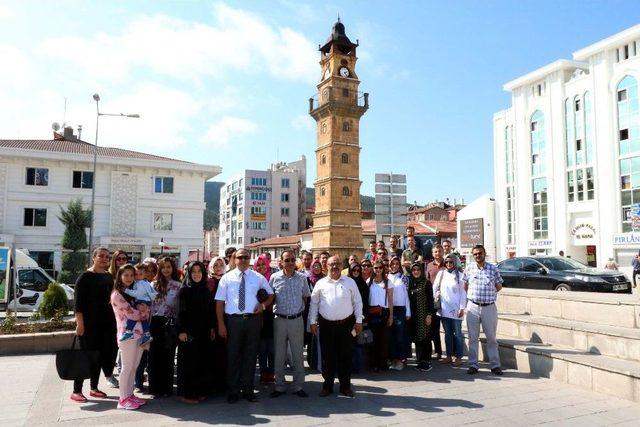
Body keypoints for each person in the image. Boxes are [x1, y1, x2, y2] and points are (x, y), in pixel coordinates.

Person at [216, 248, 274, 403]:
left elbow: (271, 295)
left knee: (250, 356)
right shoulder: (227, 278)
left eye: (246, 257)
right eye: (240, 257)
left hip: (252, 321)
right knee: (233, 355)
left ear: (250, 259)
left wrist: (262, 306)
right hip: (233, 321)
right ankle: (233, 391)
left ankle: (248, 390)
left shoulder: (258, 277)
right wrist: (221, 324)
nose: (243, 260)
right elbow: (220, 303)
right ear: (235, 259)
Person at [309, 255, 363, 397]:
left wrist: (359, 321)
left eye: (337, 264)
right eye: (331, 264)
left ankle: (345, 387)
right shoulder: (320, 283)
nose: (334, 267)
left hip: (346, 325)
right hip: (326, 325)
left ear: (341, 266)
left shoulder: (350, 282)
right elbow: (314, 303)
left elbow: (357, 302)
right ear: (326, 266)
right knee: (327, 357)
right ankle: (327, 386)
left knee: (346, 356)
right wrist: (312, 322)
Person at [71, 247, 118, 403]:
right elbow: (78, 304)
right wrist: (80, 324)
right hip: (89, 325)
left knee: (98, 357)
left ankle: (94, 387)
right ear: (94, 257)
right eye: (101, 256)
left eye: (107, 256)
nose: (104, 259)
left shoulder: (108, 277)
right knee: (85, 357)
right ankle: (76, 390)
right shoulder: (84, 277)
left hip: (106, 324)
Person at [269, 250, 311, 398]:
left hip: (296, 320)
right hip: (279, 320)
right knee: (279, 354)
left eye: (293, 260)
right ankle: (279, 386)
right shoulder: (274, 278)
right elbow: (271, 298)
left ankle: (298, 385)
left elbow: (306, 297)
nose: (290, 263)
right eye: (287, 260)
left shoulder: (302, 278)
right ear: (281, 262)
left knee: (298, 354)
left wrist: (297, 311)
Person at [176, 261, 216, 404]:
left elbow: (210, 311)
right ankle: (186, 394)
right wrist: (181, 331)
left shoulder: (205, 289)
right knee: (188, 363)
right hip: (188, 332)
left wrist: (212, 328)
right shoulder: (184, 290)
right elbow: (180, 312)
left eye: (199, 271)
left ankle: (199, 391)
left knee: (201, 362)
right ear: (189, 273)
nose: (197, 274)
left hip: (203, 332)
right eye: (194, 272)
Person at [110, 265, 147, 410]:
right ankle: (123, 399)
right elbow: (131, 313)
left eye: (132, 275)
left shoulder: (133, 293)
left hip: (139, 333)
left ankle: (129, 395)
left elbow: (146, 308)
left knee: (134, 367)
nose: (129, 278)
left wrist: (144, 310)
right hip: (126, 335)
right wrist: (143, 311)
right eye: (126, 275)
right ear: (119, 276)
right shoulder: (117, 294)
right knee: (126, 367)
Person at [464, 244, 503, 376]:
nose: (477, 256)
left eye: (480, 253)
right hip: (473, 307)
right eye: (475, 254)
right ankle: (473, 365)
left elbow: (499, 286)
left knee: (491, 338)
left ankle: (495, 365)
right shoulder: (468, 268)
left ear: (484, 253)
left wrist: (488, 294)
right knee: (472, 338)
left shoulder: (493, 268)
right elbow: (465, 286)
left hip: (489, 307)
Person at [147, 256, 181, 398]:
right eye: (163, 267)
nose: (166, 269)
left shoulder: (178, 285)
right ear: (159, 269)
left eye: (168, 267)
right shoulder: (153, 285)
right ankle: (155, 388)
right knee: (154, 356)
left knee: (168, 356)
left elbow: (180, 307)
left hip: (170, 324)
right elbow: (148, 306)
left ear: (172, 268)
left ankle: (167, 388)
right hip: (154, 323)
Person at [434, 254, 466, 366]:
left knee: (457, 333)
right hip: (444, 309)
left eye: (450, 262)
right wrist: (436, 295)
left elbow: (463, 293)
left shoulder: (460, 275)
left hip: (456, 309)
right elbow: (435, 288)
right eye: (446, 262)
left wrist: (462, 307)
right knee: (447, 334)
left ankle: (458, 357)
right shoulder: (441, 273)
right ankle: (448, 355)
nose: (448, 264)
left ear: (455, 263)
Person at [205, 256, 228, 395]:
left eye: (221, 264)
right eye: (216, 264)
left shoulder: (227, 280)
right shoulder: (209, 282)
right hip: (213, 321)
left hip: (227, 320)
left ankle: (222, 385)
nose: (218, 267)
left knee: (224, 354)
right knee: (212, 354)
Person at [366, 260, 393, 372]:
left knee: (383, 340)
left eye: (380, 268)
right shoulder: (369, 281)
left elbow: (391, 300)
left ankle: (382, 364)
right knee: (373, 340)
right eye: (376, 268)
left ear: (383, 269)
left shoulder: (388, 282)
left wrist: (391, 316)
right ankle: (373, 364)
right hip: (372, 313)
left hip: (383, 313)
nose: (378, 270)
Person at [407, 262, 434, 372]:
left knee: (425, 338)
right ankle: (420, 361)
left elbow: (431, 300)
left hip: (424, 315)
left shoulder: (426, 283)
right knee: (417, 339)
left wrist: (429, 315)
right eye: (414, 270)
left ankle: (427, 361)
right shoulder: (411, 283)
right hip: (414, 316)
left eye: (418, 270)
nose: (416, 272)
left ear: (421, 271)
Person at [120, 263, 156, 345]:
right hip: (145, 301)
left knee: (133, 316)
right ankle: (146, 334)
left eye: (141, 274)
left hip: (141, 301)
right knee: (143, 319)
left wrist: (126, 290)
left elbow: (138, 294)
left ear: (145, 274)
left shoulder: (140, 283)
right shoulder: (144, 282)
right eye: (136, 274)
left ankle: (129, 332)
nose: (138, 276)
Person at [254, 255, 275, 384]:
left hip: (272, 317)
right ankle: (263, 372)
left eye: (263, 264)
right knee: (261, 349)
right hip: (258, 317)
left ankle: (271, 373)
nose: (261, 267)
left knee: (272, 348)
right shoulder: (253, 279)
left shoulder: (273, 278)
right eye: (258, 264)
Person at [388, 257, 411, 371]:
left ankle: (401, 359)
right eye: (393, 264)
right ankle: (393, 359)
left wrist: (408, 311)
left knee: (400, 336)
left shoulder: (404, 278)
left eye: (397, 264)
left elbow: (406, 295)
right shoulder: (386, 277)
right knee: (391, 336)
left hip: (401, 309)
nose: (395, 266)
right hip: (389, 309)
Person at [425, 244, 445, 359]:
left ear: (443, 252)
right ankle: (438, 351)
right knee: (435, 328)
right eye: (435, 251)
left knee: (448, 328)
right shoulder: (429, 266)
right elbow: (427, 282)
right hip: (434, 300)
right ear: (433, 254)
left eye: (439, 251)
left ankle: (452, 353)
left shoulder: (448, 264)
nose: (438, 253)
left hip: (447, 300)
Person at [348, 262, 368, 373]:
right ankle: (349, 365)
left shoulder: (363, 284)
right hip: (347, 319)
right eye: (354, 270)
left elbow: (365, 303)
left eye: (358, 270)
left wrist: (362, 319)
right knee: (348, 342)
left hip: (359, 318)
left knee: (357, 343)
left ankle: (358, 366)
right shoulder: (347, 283)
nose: (356, 272)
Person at [306, 259, 325, 370]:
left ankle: (320, 362)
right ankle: (311, 362)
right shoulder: (307, 279)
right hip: (309, 312)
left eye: (318, 266)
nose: (317, 268)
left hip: (322, 312)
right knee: (310, 338)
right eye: (315, 266)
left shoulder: (325, 279)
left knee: (321, 339)